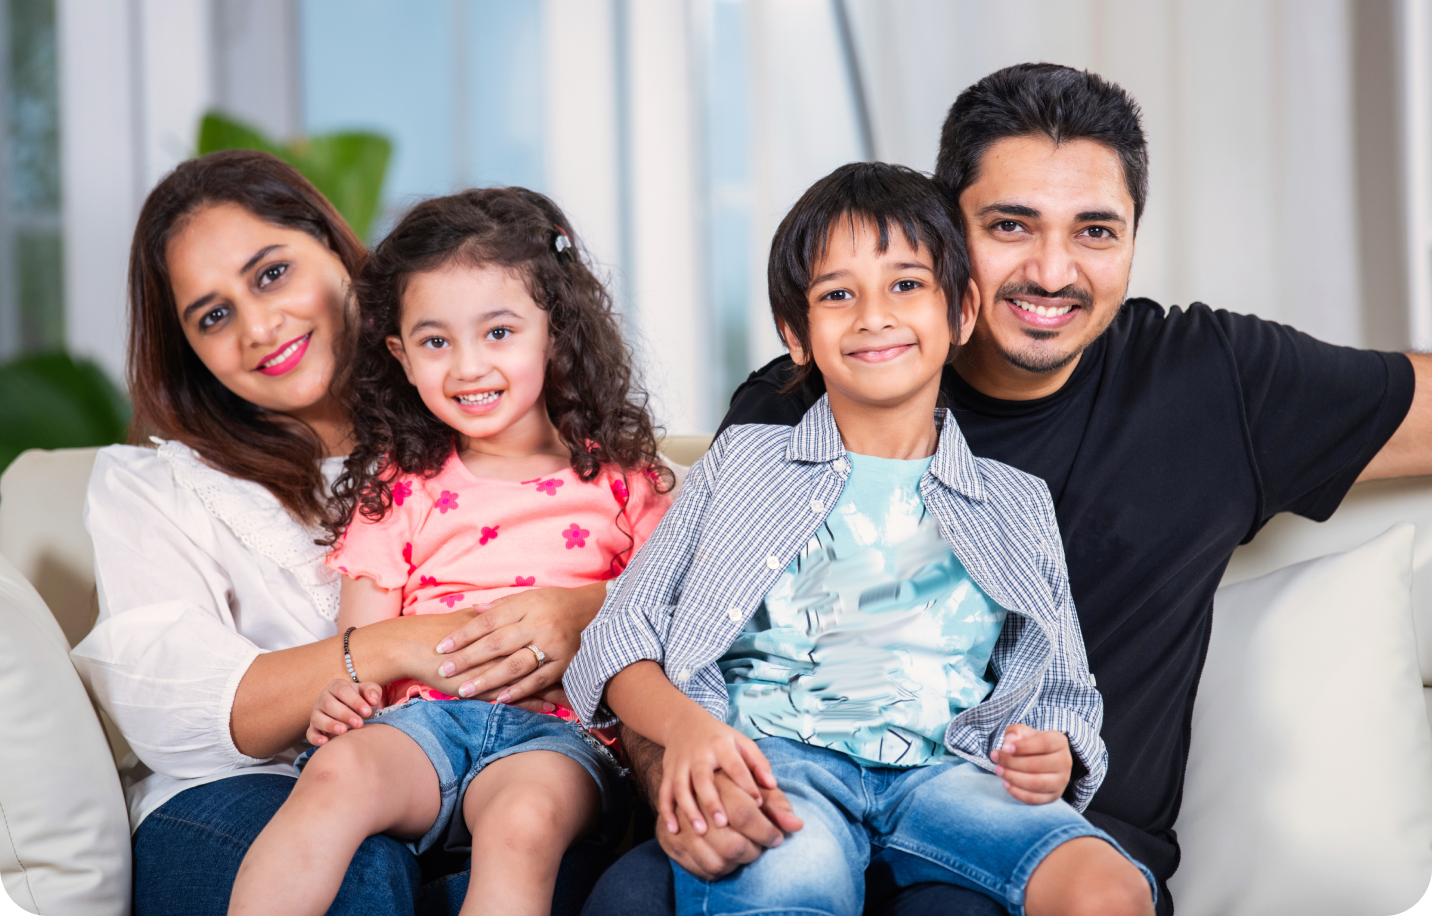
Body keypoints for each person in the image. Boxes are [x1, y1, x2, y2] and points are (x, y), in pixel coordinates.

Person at [585, 63, 1432, 916]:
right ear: (949, 235)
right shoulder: (789, 409)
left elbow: (1058, 684)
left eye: (1095, 230)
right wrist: (681, 776)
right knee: (632, 896)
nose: (1053, 271)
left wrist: (1056, 751)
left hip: (995, 826)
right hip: (779, 798)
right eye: (1010, 225)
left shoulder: (1211, 381)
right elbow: (683, 629)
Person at [567, 162, 1157, 916]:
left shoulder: (1017, 501)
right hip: (780, 765)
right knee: (789, 886)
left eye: (906, 284)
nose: (874, 315)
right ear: (797, 335)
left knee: (1110, 886)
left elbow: (1064, 687)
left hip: (952, 775)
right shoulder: (742, 463)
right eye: (837, 294)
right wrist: (687, 732)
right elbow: (622, 630)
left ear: (962, 312)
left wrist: (1057, 752)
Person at [70, 152, 617, 916]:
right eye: (213, 316)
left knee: (551, 857)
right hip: (245, 790)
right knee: (363, 876)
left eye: (271, 274)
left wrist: (579, 611)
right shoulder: (153, 486)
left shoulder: (482, 430)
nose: (259, 326)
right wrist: (401, 646)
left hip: (499, 760)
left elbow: (674, 576)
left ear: (337, 252)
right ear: (187, 348)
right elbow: (168, 709)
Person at [229, 187, 673, 916]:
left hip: (558, 737)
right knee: (334, 776)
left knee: (522, 824)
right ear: (402, 357)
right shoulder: (399, 488)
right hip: (418, 727)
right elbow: (360, 645)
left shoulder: (629, 484)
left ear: (554, 333)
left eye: (498, 332)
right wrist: (344, 699)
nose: (468, 367)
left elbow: (669, 618)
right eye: (436, 342)